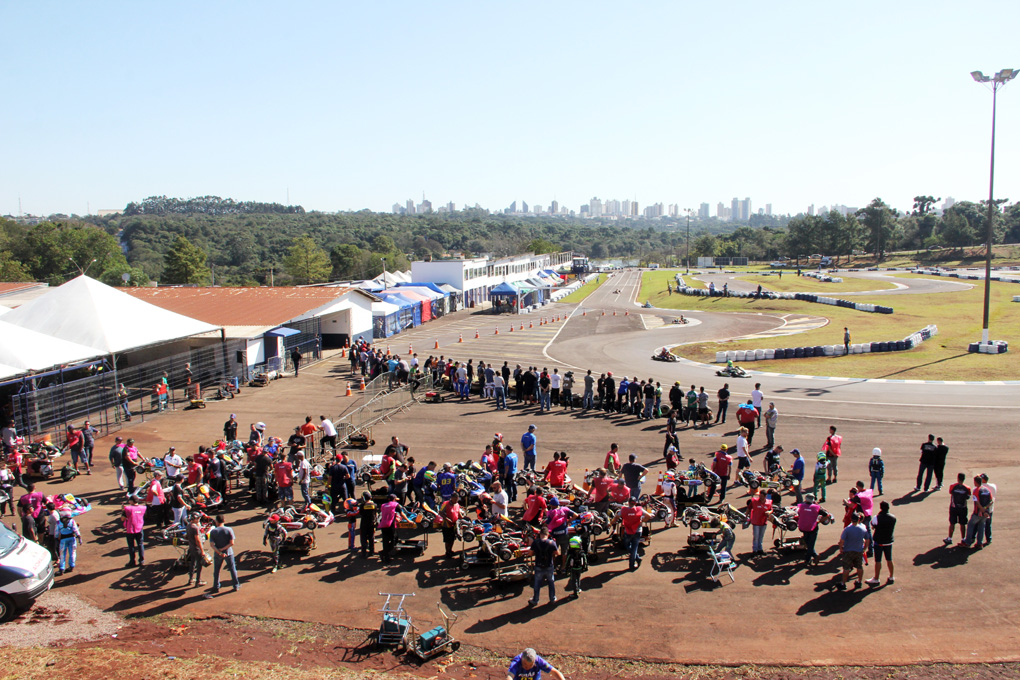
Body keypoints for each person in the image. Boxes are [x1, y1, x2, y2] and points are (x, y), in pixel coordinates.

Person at [615, 497, 652, 570]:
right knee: (634, 547)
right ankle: (637, 558)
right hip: (638, 531)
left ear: (628, 502)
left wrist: (611, 523)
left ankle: (632, 564)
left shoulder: (624, 510)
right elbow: (649, 515)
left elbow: (616, 517)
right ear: (635, 503)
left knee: (627, 545)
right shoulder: (639, 509)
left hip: (628, 531)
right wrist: (643, 521)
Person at [836, 512, 870, 590]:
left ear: (851, 519)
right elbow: (867, 539)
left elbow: (842, 541)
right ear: (858, 519)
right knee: (859, 566)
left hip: (848, 551)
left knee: (846, 568)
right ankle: (859, 582)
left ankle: (843, 584)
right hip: (859, 550)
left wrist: (841, 548)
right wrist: (865, 548)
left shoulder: (847, 529)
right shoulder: (863, 528)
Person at [208, 514, 239, 593]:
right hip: (229, 553)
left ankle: (216, 587)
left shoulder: (213, 531)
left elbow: (212, 545)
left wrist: (219, 551)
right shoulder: (229, 529)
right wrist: (223, 549)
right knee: (232, 569)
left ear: (216, 521)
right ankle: (236, 585)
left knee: (216, 571)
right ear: (224, 520)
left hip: (218, 554)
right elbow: (231, 543)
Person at [528, 526, 560, 605]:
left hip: (539, 565)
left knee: (537, 583)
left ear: (540, 534)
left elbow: (530, 553)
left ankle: (535, 600)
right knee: (551, 582)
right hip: (549, 565)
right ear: (547, 534)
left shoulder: (535, 542)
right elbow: (557, 553)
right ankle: (552, 598)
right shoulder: (551, 543)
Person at [867, 501, 896, 586]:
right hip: (888, 541)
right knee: (889, 559)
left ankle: (876, 578)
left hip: (879, 542)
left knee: (878, 561)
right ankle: (891, 576)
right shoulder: (893, 517)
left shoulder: (877, 517)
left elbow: (873, 525)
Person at [960, 476, 993, 548]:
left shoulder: (976, 490)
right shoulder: (987, 490)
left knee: (970, 525)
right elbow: (991, 501)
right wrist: (985, 509)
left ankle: (968, 542)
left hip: (977, 513)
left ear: (976, 482)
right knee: (981, 527)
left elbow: (977, 503)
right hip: (985, 514)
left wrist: (982, 510)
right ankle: (979, 543)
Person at [379, 494, 411, 563]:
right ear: (394, 499)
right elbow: (402, 514)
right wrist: (408, 521)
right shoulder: (395, 505)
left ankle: (386, 557)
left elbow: (386, 513)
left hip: (383, 524)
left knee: (385, 541)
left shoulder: (383, 505)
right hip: (390, 525)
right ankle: (384, 553)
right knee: (394, 540)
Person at [797, 494, 822, 566]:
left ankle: (809, 558)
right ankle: (813, 556)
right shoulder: (816, 507)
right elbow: (826, 514)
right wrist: (819, 520)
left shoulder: (801, 506)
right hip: (813, 527)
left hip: (804, 527)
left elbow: (799, 514)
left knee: (808, 542)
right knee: (810, 543)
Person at [747, 489, 773, 555]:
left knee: (761, 536)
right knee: (756, 537)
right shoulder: (754, 501)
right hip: (756, 522)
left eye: (762, 496)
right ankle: (755, 550)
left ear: (765, 496)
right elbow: (749, 508)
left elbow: (771, 509)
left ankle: (760, 549)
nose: (760, 498)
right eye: (760, 496)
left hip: (763, 522)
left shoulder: (769, 502)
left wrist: (769, 512)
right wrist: (746, 516)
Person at [122, 500, 147, 567]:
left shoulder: (127, 509)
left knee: (131, 546)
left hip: (130, 530)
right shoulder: (143, 507)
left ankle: (132, 561)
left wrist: (123, 510)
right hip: (139, 528)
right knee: (140, 545)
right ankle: (142, 561)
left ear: (132, 501)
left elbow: (122, 519)